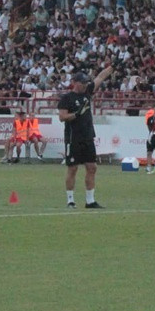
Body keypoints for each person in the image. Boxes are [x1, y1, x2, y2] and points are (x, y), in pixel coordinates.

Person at [58, 64, 114, 208]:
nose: (85, 85)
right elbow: (62, 117)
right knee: (73, 168)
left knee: (92, 167)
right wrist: (76, 114)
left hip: (88, 136)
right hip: (73, 137)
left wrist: (113, 66)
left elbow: (101, 76)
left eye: (86, 83)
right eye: (82, 83)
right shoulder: (67, 98)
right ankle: (70, 200)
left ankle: (90, 200)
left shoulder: (87, 93)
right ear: (75, 83)